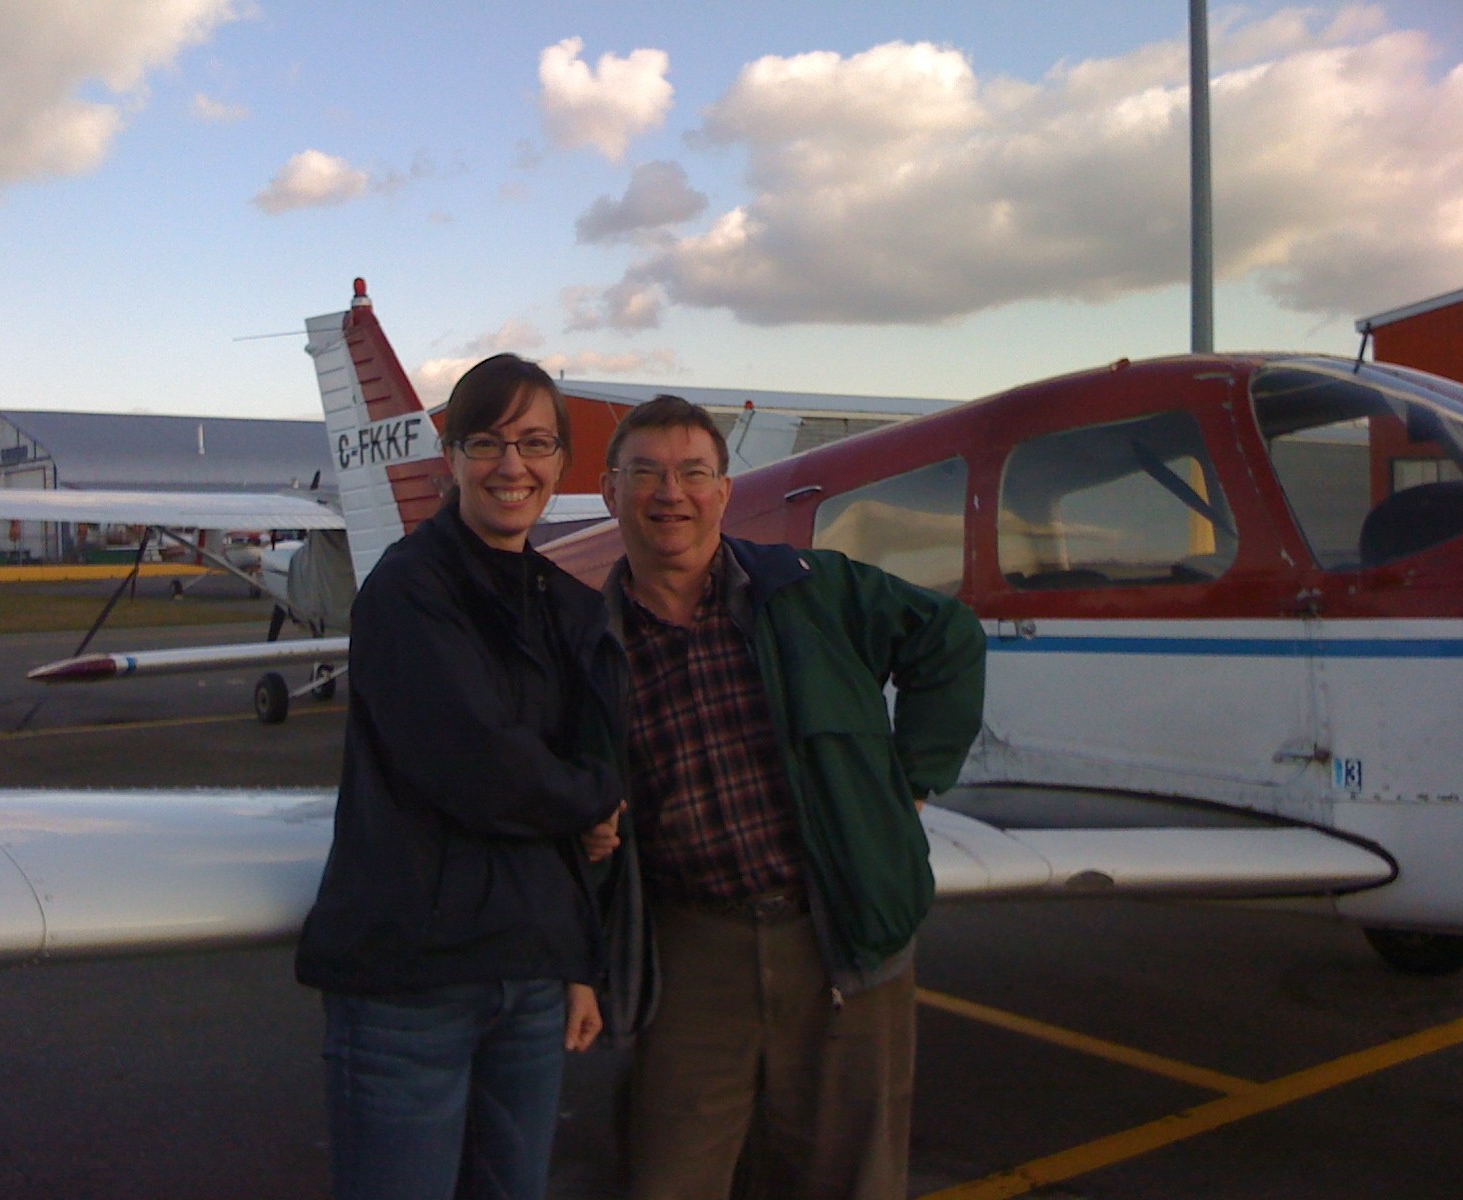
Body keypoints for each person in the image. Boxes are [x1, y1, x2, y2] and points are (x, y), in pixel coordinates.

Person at [586, 395, 986, 1200]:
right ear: (610, 493)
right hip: (690, 946)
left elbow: (949, 639)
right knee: (666, 1176)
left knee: (849, 1177)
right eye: (647, 474)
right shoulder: (588, 641)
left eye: (695, 473)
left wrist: (906, 785)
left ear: (724, 493)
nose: (673, 493)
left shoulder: (809, 589)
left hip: (836, 928)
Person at [295, 354, 627, 1200]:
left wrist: (577, 961)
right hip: (414, 981)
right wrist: (591, 800)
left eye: (535, 443)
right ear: (451, 457)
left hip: (530, 977)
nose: (511, 466)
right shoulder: (407, 591)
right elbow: (482, 767)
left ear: (560, 462)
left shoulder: (569, 604)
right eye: (487, 442)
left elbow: (607, 743)